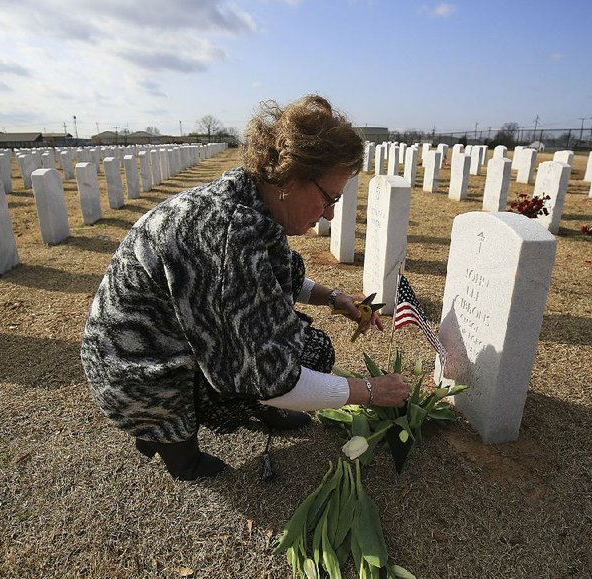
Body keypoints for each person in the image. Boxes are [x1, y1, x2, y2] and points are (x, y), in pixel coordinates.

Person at [81, 95, 410, 481]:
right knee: (292, 363)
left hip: (175, 339)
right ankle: (171, 445)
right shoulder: (226, 233)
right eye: (329, 198)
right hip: (140, 370)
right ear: (290, 177)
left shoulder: (249, 201)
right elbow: (268, 370)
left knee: (309, 349)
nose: (331, 213)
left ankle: (256, 405)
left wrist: (335, 299)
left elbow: (275, 276)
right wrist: (369, 391)